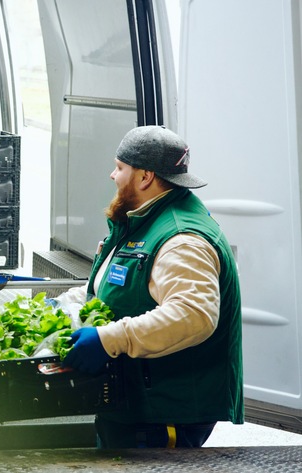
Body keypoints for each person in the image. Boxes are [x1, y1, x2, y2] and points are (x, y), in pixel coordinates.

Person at [61, 125, 243, 448]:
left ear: (145, 177)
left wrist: (109, 339)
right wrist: (66, 305)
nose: (112, 176)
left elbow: (194, 314)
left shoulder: (181, 239)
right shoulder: (144, 220)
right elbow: (119, 285)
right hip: (134, 409)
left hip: (163, 419)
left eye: (119, 168)